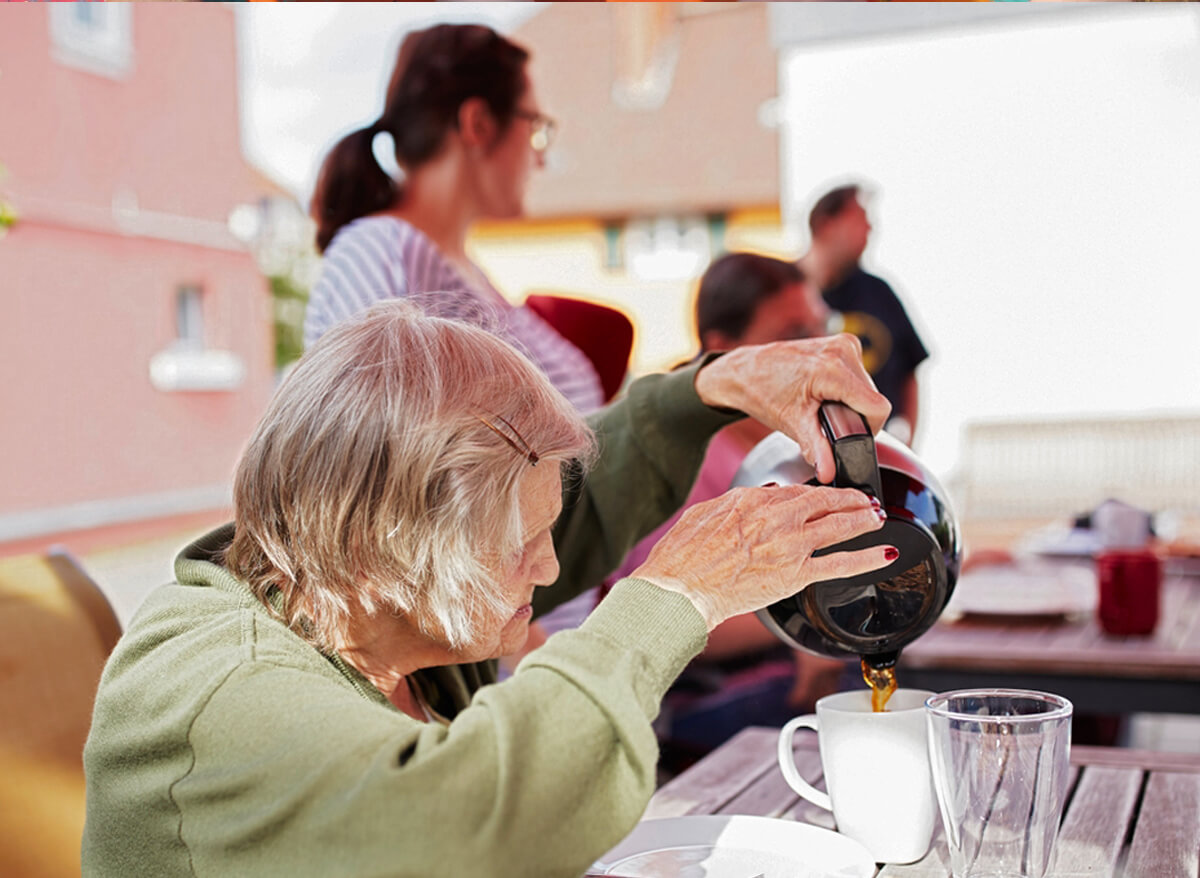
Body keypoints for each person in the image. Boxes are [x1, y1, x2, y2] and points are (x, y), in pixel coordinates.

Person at [82, 300, 893, 878]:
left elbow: (572, 513)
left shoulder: (374, 612)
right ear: (383, 553)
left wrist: (715, 386)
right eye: (520, 546)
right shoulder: (216, 691)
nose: (550, 568)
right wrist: (675, 598)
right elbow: (471, 828)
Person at [609, 252, 847, 769]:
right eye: (792, 333)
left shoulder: (784, 451)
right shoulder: (684, 461)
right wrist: (816, 624)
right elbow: (673, 621)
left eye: (820, 329)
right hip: (692, 702)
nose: (816, 349)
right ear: (725, 353)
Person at [304, 23, 604, 413]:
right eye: (534, 126)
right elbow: (369, 455)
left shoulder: (463, 275)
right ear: (477, 123)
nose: (540, 158)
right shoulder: (378, 251)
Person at [798, 183, 929, 444]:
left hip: (877, 454)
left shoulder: (879, 293)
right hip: (801, 455)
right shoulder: (780, 292)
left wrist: (909, 444)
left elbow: (909, 370)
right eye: (860, 219)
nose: (870, 229)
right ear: (826, 224)